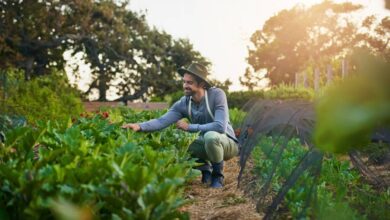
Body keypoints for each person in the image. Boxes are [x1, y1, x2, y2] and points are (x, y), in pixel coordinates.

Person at [122, 63, 239, 188]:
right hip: (204, 143)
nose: (185, 86)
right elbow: (162, 121)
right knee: (179, 138)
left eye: (189, 83)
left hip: (226, 144)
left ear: (202, 84)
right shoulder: (183, 103)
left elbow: (220, 126)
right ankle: (206, 171)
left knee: (211, 136)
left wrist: (190, 127)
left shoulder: (217, 95)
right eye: (184, 82)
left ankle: (217, 176)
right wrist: (139, 126)